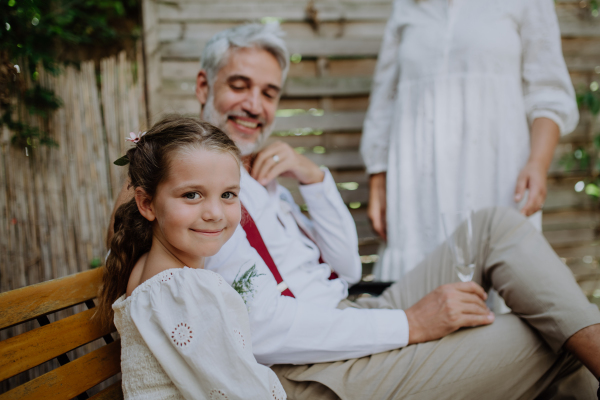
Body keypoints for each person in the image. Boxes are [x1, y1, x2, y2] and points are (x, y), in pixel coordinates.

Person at [106, 24, 600, 398]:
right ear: (203, 86)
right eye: (240, 85)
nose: (254, 104)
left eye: (269, 92)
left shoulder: (246, 181)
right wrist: (411, 324)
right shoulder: (192, 194)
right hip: (313, 365)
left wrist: (313, 178)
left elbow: (342, 268)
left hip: (348, 315)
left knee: (497, 228)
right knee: (547, 328)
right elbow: (259, 327)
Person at [361, 0, 579, 281]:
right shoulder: (406, 6)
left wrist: (538, 163)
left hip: (496, 178)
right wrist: (378, 181)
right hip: (417, 190)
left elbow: (549, 91)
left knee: (500, 278)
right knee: (419, 296)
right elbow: (384, 99)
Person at [97, 116, 286, 400]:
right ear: (147, 203)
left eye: (227, 194)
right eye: (192, 194)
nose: (215, 213)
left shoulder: (150, 268)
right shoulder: (183, 290)